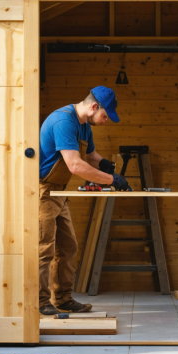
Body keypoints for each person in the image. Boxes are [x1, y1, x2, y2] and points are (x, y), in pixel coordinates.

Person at [38, 86, 131, 315]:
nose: (106, 121)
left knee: (68, 247)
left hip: (59, 193)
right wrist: (111, 180)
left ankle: (63, 299)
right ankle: (39, 302)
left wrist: (106, 165)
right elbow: (75, 165)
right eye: (105, 115)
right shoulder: (63, 121)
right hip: (42, 192)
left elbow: (90, 156)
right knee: (43, 248)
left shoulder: (83, 126)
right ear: (93, 106)